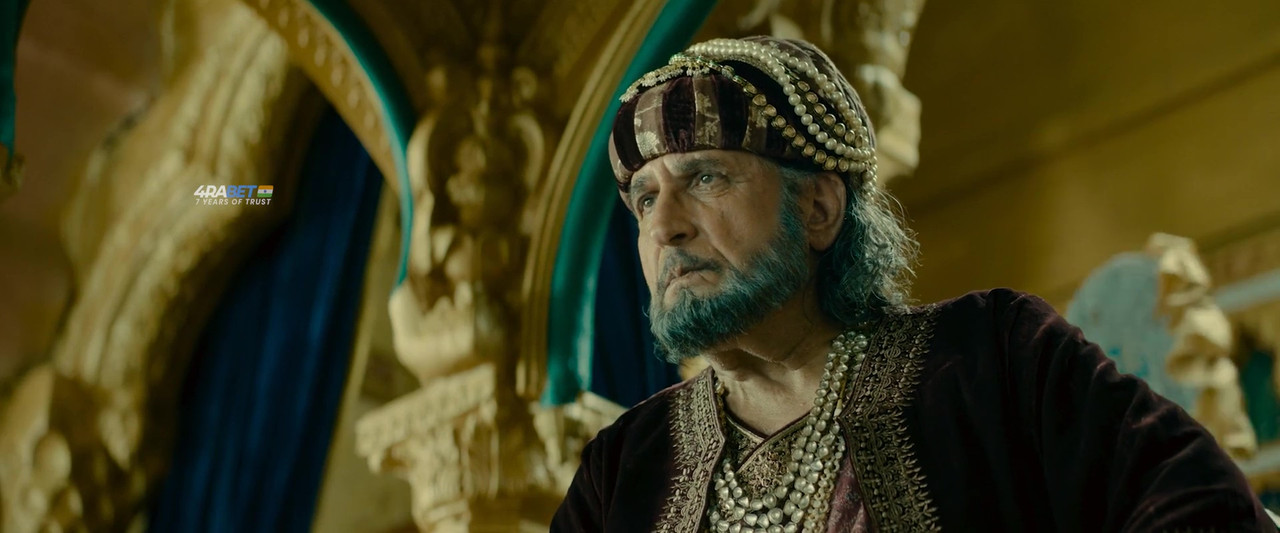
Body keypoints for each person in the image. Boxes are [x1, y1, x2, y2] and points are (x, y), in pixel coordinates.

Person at [549, 36, 1274, 532]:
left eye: (705, 178)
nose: (664, 227)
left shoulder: (993, 360)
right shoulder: (625, 467)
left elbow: (1203, 507)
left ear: (819, 209)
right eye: (644, 199)